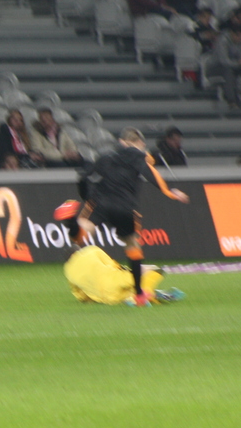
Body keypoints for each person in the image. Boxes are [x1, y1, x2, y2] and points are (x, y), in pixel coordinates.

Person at [55, 127, 189, 307]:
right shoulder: (139, 156)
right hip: (124, 206)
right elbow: (150, 173)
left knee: (79, 235)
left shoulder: (106, 157)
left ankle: (70, 219)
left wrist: (85, 196)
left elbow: (84, 176)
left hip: (100, 201)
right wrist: (169, 191)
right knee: (133, 247)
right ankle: (139, 294)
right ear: (139, 143)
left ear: (121, 142)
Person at [64, 245, 183, 305]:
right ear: (79, 250)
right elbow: (113, 264)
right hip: (114, 281)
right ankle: (145, 295)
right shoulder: (91, 250)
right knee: (155, 269)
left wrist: (91, 298)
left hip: (107, 298)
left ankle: (135, 297)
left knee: (127, 292)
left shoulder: (68, 270)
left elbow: (79, 295)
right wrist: (129, 271)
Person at [211, 24, 241, 107]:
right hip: (216, 67)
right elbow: (224, 61)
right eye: (239, 36)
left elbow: (240, 55)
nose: (240, 39)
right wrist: (239, 63)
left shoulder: (240, 41)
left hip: (232, 64)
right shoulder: (223, 41)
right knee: (228, 71)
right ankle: (231, 100)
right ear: (232, 34)